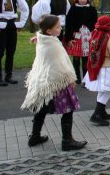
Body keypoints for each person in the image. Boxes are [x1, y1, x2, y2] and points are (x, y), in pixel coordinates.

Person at [21, 15, 87, 151]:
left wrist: (36, 38)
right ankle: (67, 141)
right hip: (56, 82)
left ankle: (34, 137)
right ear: (49, 31)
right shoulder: (52, 45)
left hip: (43, 83)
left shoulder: (43, 38)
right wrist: (70, 78)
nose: (60, 28)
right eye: (57, 27)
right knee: (68, 109)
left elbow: (39, 36)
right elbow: (59, 65)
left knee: (42, 109)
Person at [65, 0, 98, 84]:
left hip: (88, 36)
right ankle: (77, 77)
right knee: (76, 57)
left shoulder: (92, 9)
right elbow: (69, 24)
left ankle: (85, 77)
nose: (82, 0)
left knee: (86, 57)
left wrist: (88, 28)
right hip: (76, 36)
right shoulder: (73, 9)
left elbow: (95, 22)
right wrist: (69, 38)